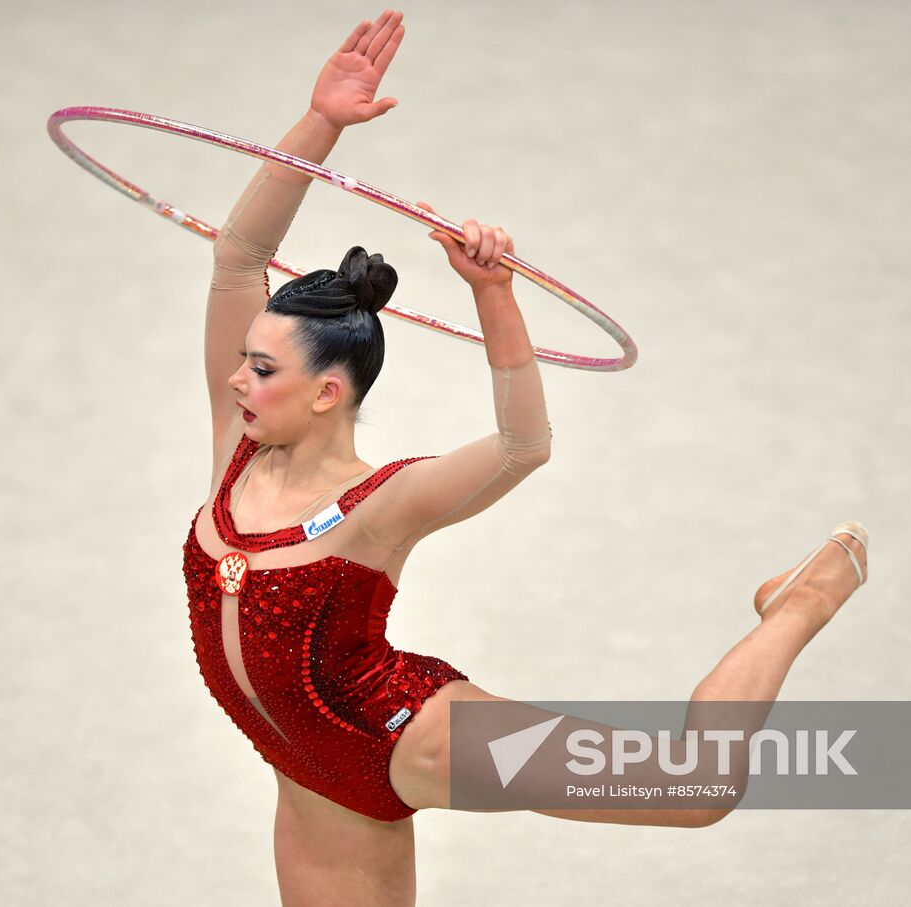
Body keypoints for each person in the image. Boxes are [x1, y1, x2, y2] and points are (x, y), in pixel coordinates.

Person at [182, 11, 870, 906]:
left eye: (262, 367)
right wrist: (322, 125)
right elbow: (239, 253)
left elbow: (521, 447)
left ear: (327, 392)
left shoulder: (378, 504)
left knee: (693, 785)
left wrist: (495, 298)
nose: (235, 376)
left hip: (399, 732)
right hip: (308, 774)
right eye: (244, 359)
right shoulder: (236, 446)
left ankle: (800, 602)